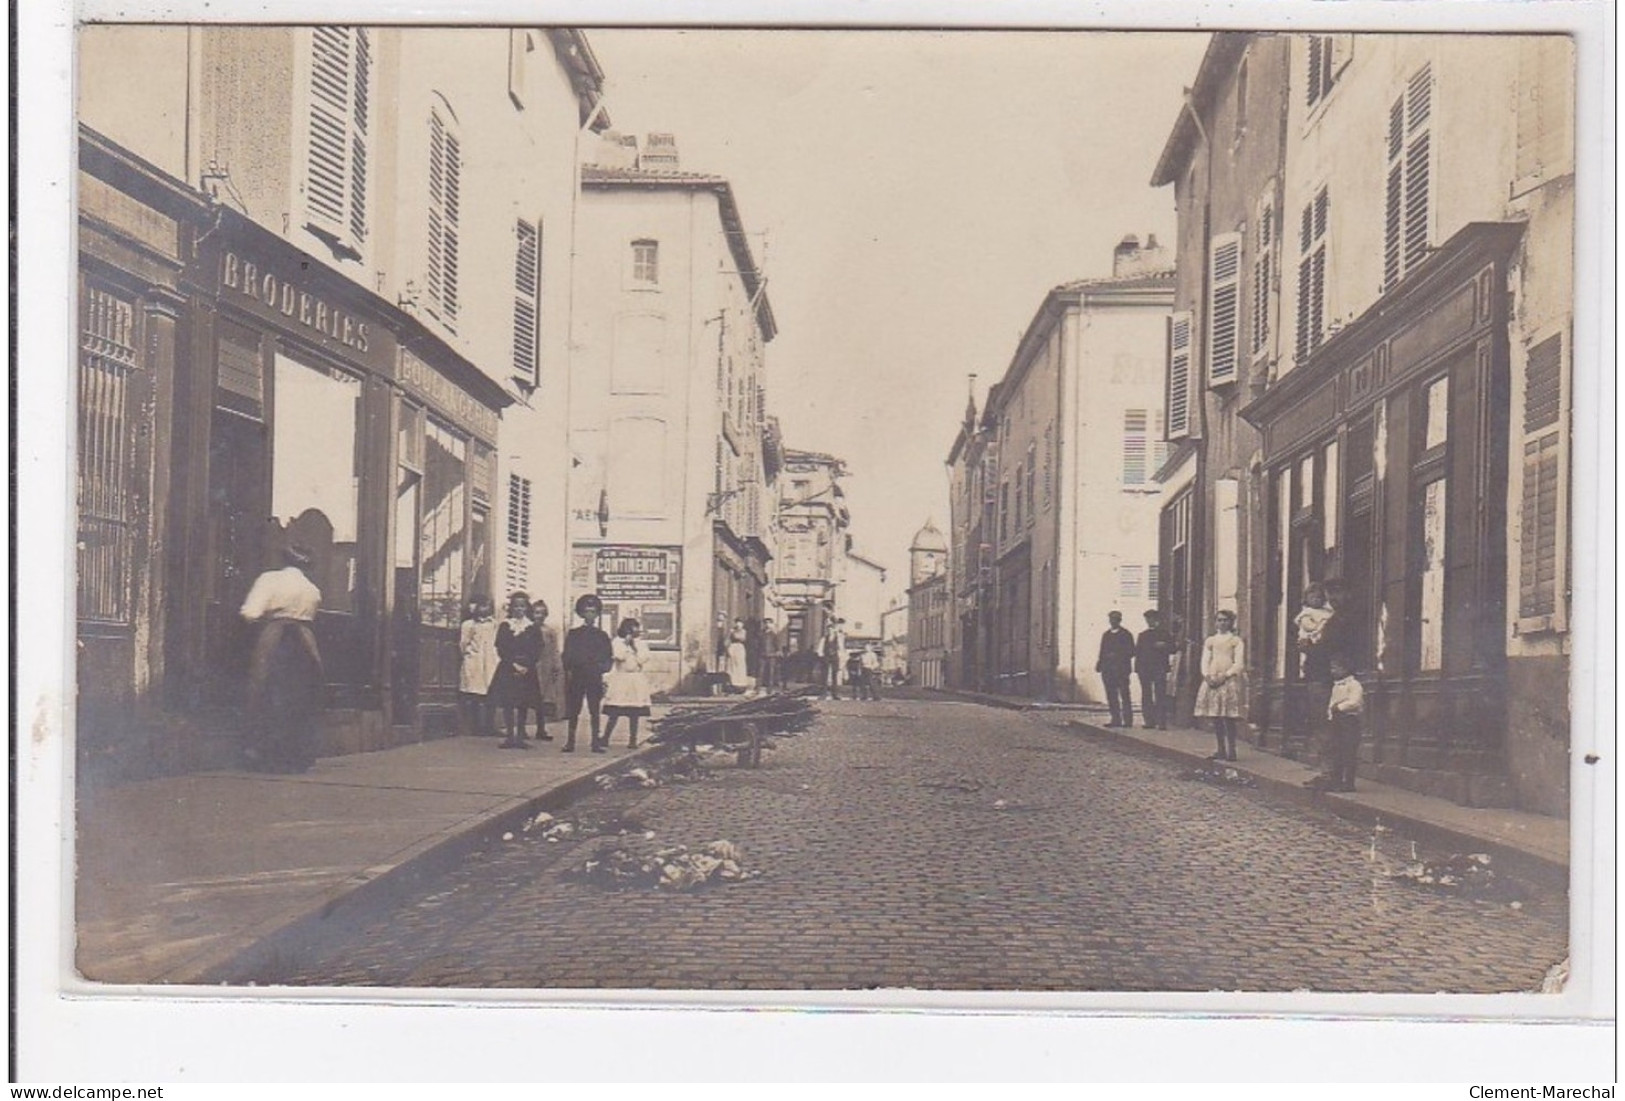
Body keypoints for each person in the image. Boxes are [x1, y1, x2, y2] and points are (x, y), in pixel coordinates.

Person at [239, 544, 325, 774]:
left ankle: (264, 753)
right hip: (305, 641)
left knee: (265, 688)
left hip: (276, 637)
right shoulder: (312, 589)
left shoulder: (270, 579)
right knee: (301, 696)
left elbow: (250, 613)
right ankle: (298, 755)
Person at [1302, 578, 1360, 791]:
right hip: (1322, 678)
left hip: (1332, 681)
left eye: (1338, 593)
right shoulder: (1335, 619)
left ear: (1348, 594)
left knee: (1330, 729)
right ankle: (1330, 773)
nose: (1333, 598)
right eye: (1330, 594)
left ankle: (1332, 775)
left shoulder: (1346, 621)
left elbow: (1332, 650)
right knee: (1325, 728)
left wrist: (1310, 648)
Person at [489, 592, 546, 749]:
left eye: (522, 606)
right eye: (516, 606)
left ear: (526, 608)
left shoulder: (532, 627)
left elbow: (538, 648)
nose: (519, 609)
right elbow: (501, 648)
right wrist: (514, 665)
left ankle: (521, 735)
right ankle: (509, 736)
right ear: (511, 608)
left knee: (523, 702)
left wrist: (527, 665)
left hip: (527, 669)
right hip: (508, 668)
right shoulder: (505, 626)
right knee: (508, 702)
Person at [562, 593, 614, 753]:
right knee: (574, 709)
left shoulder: (602, 636)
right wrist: (570, 668)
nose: (590, 615)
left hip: (594, 676)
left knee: (594, 709)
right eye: (587, 611)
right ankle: (570, 741)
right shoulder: (574, 634)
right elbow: (567, 655)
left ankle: (595, 742)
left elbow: (607, 656)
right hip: (577, 675)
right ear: (581, 613)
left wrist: (601, 669)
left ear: (597, 614)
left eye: (593, 611)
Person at [1194, 609, 1247, 761]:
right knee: (1216, 716)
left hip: (1228, 680)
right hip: (1212, 679)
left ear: (1231, 622)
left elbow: (1239, 663)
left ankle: (1232, 750)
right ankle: (1220, 749)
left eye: (1225, 620)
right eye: (1219, 620)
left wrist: (1226, 675)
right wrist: (1207, 676)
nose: (1222, 623)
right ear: (1215, 622)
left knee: (1228, 716)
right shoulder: (1210, 641)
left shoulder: (1236, 641)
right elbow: (1205, 660)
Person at [603, 618, 653, 749]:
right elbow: (618, 656)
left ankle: (633, 739)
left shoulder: (641, 644)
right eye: (633, 628)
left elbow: (643, 659)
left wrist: (634, 648)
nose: (636, 631)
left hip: (635, 679)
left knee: (634, 712)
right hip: (621, 679)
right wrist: (625, 644)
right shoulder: (617, 642)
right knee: (615, 711)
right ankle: (605, 737)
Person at [458, 594, 499, 737]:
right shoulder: (469, 625)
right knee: (474, 693)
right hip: (474, 661)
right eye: (481, 605)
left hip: (490, 661)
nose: (484, 609)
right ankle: (475, 726)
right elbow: (464, 643)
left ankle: (489, 725)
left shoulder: (494, 624)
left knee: (491, 693)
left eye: (487, 605)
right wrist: (470, 654)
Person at [531, 598, 566, 743]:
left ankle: (541, 728)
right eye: (535, 613)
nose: (538, 616)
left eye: (541, 613)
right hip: (531, 666)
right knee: (527, 697)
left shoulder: (550, 631)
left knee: (543, 698)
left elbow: (554, 650)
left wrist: (556, 665)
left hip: (545, 666)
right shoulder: (528, 629)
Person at [1134, 609, 1175, 730]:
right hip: (1145, 669)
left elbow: (1173, 649)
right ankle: (1149, 721)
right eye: (1148, 619)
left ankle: (1161, 721)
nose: (1150, 622)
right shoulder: (1143, 635)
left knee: (1160, 694)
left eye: (1152, 619)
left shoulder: (1165, 634)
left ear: (1157, 620)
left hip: (1159, 668)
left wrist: (1164, 646)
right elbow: (1138, 653)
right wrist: (1137, 669)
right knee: (1146, 695)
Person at [1095, 611, 1136, 727]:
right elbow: (1102, 651)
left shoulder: (1126, 634)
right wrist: (1100, 664)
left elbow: (1131, 651)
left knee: (1124, 695)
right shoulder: (1106, 635)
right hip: (1108, 670)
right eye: (1111, 619)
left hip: (1121, 670)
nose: (1113, 621)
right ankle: (1115, 719)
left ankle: (1128, 720)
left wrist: (1117, 655)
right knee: (1111, 695)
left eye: (1115, 619)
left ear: (1119, 621)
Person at [726, 618, 752, 694]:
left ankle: (740, 684)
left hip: (739, 648)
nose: (738, 624)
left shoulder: (743, 631)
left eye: (740, 622)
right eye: (737, 622)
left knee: (740, 665)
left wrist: (734, 633)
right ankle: (733, 683)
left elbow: (742, 638)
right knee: (732, 665)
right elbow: (728, 639)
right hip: (733, 647)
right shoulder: (731, 631)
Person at [821, 620, 846, 700]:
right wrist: (821, 654)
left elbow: (841, 648)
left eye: (831, 629)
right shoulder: (824, 638)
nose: (830, 631)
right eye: (829, 629)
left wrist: (841, 658)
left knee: (834, 675)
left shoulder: (838, 638)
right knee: (825, 675)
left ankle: (835, 694)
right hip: (827, 657)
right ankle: (824, 694)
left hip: (835, 657)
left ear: (834, 629)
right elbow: (820, 648)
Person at [760, 617, 782, 691]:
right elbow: (758, 644)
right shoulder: (761, 633)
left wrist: (778, 652)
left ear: (772, 624)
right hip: (762, 655)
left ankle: (770, 687)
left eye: (769, 623)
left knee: (771, 672)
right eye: (766, 623)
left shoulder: (774, 634)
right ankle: (758, 687)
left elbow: (778, 645)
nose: (767, 625)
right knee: (760, 671)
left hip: (772, 655)